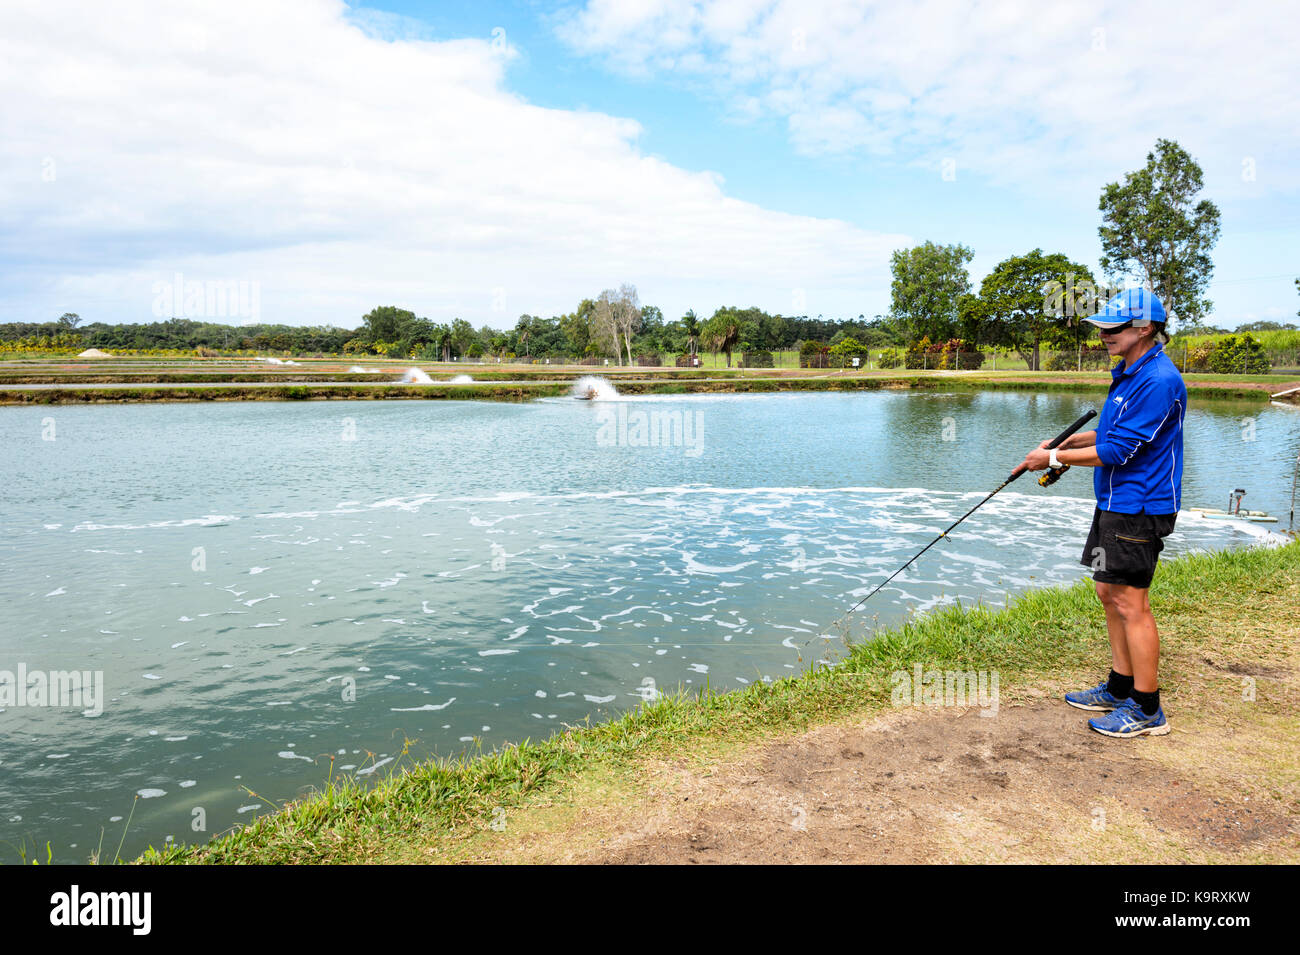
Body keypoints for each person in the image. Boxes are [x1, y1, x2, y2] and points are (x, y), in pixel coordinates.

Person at [1020, 287, 1186, 738]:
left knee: (1132, 602)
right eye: (1102, 327)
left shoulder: (1158, 380)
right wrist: (1074, 441)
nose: (1105, 335)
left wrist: (1052, 460)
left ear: (1146, 328)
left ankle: (1147, 709)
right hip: (1114, 501)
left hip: (1141, 504)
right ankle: (1120, 686)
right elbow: (1113, 433)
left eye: (1115, 328)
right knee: (1108, 594)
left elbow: (1121, 449)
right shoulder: (1129, 371)